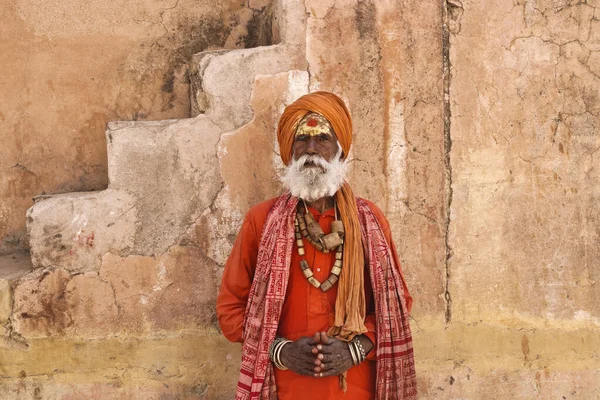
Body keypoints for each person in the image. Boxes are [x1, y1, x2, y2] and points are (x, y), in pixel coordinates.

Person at [216, 91, 416, 400]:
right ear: (289, 151)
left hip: (356, 388)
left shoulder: (370, 222)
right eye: (301, 140)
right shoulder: (261, 221)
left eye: (322, 138)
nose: (311, 150)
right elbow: (230, 311)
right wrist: (281, 351)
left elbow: (396, 307)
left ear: (340, 150)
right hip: (284, 389)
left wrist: (356, 348)